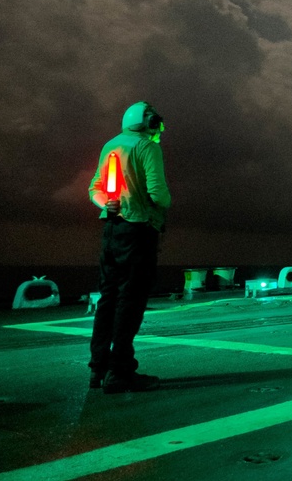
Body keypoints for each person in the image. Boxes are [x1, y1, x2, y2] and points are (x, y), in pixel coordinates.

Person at [87, 101, 171, 394]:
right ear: (148, 121)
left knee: (108, 298)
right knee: (130, 300)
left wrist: (107, 205)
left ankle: (98, 367)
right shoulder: (147, 147)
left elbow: (94, 188)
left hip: (111, 230)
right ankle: (120, 371)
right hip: (138, 230)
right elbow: (158, 193)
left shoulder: (110, 145)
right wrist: (165, 204)